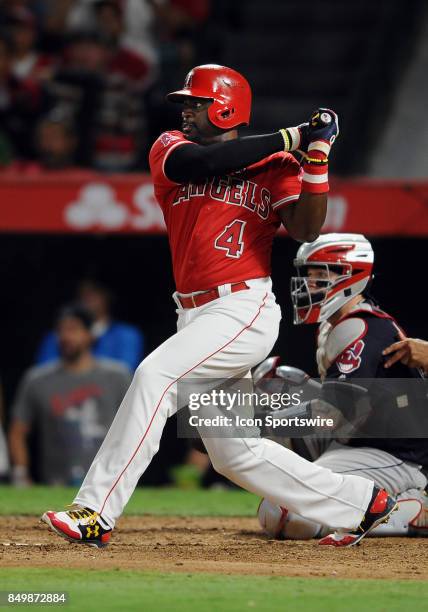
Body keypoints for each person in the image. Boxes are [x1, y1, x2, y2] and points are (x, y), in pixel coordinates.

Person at [41, 64, 396, 548]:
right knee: (234, 453)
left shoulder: (277, 166)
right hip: (195, 312)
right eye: (186, 102)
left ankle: (95, 511)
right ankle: (359, 502)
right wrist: (293, 136)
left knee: (154, 377)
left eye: (196, 102)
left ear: (226, 106)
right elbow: (203, 165)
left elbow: (307, 229)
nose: (185, 110)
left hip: (241, 308)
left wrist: (315, 159)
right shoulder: (170, 148)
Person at [258, 233, 427, 543]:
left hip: (395, 454)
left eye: (321, 275)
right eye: (309, 275)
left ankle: (405, 510)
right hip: (355, 439)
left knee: (287, 515)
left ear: (352, 277)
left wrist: (258, 421)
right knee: (270, 384)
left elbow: (332, 413)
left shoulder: (361, 327)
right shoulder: (335, 325)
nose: (309, 285)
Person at [9, 304, 132, 486]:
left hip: (110, 482)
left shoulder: (118, 376)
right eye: (61, 331)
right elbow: (17, 431)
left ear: (90, 334)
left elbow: (135, 425)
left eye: (73, 329)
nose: (65, 337)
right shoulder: (36, 379)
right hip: (55, 483)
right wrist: (20, 475)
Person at [36, 279, 144, 371]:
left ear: (106, 296)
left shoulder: (127, 335)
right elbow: (44, 374)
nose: (88, 299)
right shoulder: (57, 336)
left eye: (93, 293)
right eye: (83, 294)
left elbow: (126, 372)